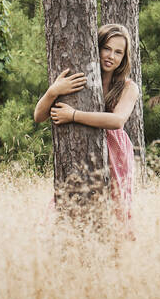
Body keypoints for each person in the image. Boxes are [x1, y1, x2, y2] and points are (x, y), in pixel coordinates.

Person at [33, 23, 141, 225]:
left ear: (124, 57)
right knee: (72, 197)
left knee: (115, 207)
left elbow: (117, 121)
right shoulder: (81, 79)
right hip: (83, 147)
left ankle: (115, 251)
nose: (111, 56)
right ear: (96, 47)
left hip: (116, 151)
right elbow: (39, 116)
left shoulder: (128, 87)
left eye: (118, 52)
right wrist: (53, 91)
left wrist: (73, 115)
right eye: (106, 48)